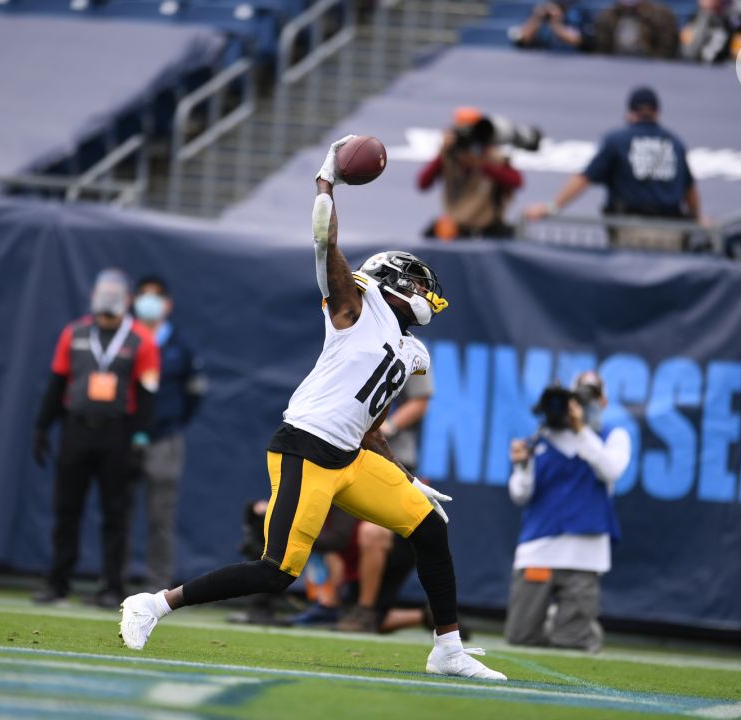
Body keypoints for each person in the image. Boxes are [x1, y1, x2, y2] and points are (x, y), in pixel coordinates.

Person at [119, 135, 506, 681]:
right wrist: (327, 179)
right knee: (277, 572)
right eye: (417, 281)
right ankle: (153, 604)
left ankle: (448, 649)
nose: (426, 290)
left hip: (350, 456)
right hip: (306, 449)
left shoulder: (411, 351)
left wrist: (405, 477)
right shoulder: (355, 305)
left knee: (429, 528)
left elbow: (369, 424)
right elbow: (325, 240)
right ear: (394, 283)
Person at [32, 269, 160, 608]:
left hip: (116, 431)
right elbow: (58, 382)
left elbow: (147, 394)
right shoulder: (74, 333)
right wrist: (42, 427)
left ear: (126, 304)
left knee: (116, 513)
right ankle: (58, 581)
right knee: (66, 509)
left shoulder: (141, 340)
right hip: (76, 428)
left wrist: (140, 439)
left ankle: (112, 586)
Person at [505, 372, 630, 652]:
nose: (583, 402)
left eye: (592, 394)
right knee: (520, 636)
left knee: (570, 644)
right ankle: (559, 620)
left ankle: (580, 628)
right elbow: (519, 494)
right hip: (539, 549)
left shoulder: (613, 436)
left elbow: (611, 470)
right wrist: (522, 466)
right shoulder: (538, 439)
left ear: (604, 401)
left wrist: (581, 430)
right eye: (579, 395)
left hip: (585, 556)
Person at [524, 87, 701, 250]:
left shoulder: (617, 141)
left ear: (631, 113)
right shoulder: (675, 143)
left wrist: (552, 207)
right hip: (672, 234)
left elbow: (584, 178)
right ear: (656, 112)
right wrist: (697, 219)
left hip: (629, 233)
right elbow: (690, 189)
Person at [336, 370, 434, 634]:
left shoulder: (409, 351)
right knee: (325, 528)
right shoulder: (349, 342)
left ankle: (366, 611)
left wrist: (386, 427)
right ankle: (331, 602)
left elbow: (420, 400)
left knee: (373, 533)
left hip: (385, 459)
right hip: (342, 453)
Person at [131, 276, 207, 592]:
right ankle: (111, 582)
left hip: (164, 439)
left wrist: (172, 422)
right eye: (143, 295)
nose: (149, 301)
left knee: (160, 516)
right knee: (117, 512)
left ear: (168, 304)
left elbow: (195, 394)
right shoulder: (123, 339)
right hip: (123, 438)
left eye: (156, 296)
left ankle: (156, 586)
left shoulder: (181, 346)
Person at [418, 108, 524, 241]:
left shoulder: (492, 157)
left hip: (488, 228)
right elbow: (423, 184)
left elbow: (516, 181)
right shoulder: (449, 156)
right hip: (455, 228)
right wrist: (443, 153)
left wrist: (482, 163)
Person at [592, 0, 680, 59]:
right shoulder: (607, 15)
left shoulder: (661, 15)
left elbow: (667, 51)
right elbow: (601, 50)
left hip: (651, 68)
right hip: (614, 67)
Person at [679, 0, 741, 64]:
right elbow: (687, 52)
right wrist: (704, 16)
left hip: (724, 74)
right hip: (697, 70)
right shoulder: (698, 15)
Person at [514, 1, 596, 52]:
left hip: (572, 62)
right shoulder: (541, 10)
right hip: (540, 62)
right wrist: (537, 17)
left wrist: (555, 23)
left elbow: (581, 41)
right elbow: (521, 39)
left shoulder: (580, 11)